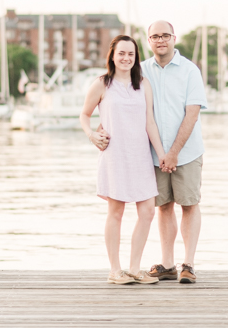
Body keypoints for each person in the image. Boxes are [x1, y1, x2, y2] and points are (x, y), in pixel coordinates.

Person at [93, 21, 208, 284]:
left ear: (174, 38)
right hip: (151, 154)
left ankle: (188, 264)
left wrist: (174, 152)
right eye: (154, 36)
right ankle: (167, 265)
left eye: (165, 35)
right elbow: (118, 102)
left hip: (186, 152)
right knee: (163, 206)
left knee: (189, 204)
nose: (160, 40)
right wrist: (100, 128)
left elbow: (192, 115)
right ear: (148, 40)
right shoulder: (139, 70)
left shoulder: (190, 71)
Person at [80, 34, 170, 285]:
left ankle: (133, 268)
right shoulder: (101, 84)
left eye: (131, 54)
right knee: (116, 212)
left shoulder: (143, 83)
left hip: (140, 155)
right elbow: (84, 115)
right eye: (121, 53)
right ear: (112, 55)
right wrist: (91, 135)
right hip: (115, 155)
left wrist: (161, 153)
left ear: (136, 57)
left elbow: (149, 122)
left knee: (147, 212)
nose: (126, 58)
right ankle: (114, 270)